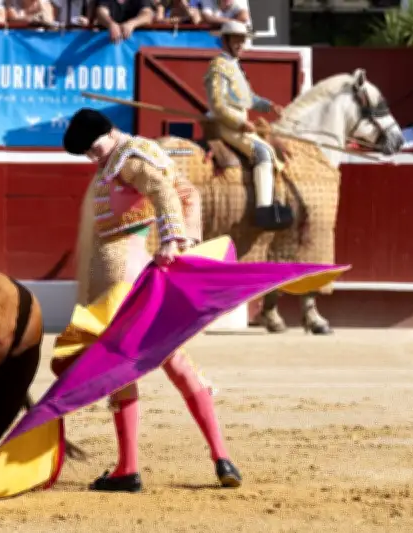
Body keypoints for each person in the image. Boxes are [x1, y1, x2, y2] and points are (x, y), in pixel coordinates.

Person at [60, 107, 242, 493]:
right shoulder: (126, 155)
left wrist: (176, 240)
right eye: (88, 155)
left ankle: (128, 468)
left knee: (120, 364)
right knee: (173, 359)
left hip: (120, 279)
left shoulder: (130, 157)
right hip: (136, 271)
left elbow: (163, 191)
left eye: (94, 149)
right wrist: (181, 239)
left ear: (110, 132)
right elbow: (183, 191)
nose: (94, 158)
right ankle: (221, 456)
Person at [204, 20, 290, 231]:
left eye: (243, 41)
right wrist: (240, 122)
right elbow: (217, 104)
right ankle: (263, 211)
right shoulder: (218, 66)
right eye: (237, 40)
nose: (241, 45)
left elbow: (248, 98)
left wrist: (269, 106)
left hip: (238, 124)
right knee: (262, 152)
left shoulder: (234, 66)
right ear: (225, 41)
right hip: (224, 125)